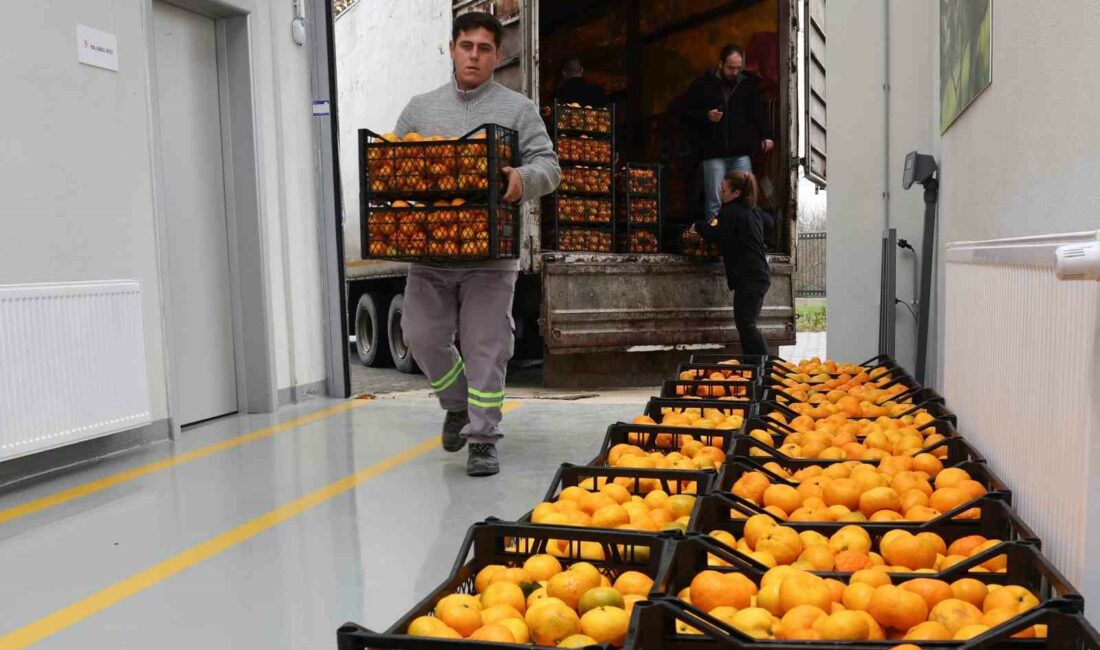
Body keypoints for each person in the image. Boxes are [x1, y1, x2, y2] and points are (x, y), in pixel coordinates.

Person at [393, 12, 561, 476]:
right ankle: (458, 405)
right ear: (451, 49)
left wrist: (520, 178)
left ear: (497, 56)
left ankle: (483, 438)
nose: (474, 55)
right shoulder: (419, 110)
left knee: (486, 346)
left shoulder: (517, 109)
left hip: (491, 256)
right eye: (466, 46)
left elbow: (550, 166)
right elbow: (395, 163)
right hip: (431, 253)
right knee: (421, 336)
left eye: (484, 48)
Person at [684, 43, 774, 220]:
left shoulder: (748, 86)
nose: (734, 72)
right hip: (712, 153)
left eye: (738, 68)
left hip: (740, 153)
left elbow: (759, 112)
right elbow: (686, 113)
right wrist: (706, 116)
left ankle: (744, 240)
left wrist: (768, 135)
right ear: (720, 64)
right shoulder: (702, 85)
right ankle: (714, 245)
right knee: (714, 202)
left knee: (747, 200)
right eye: (730, 67)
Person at [691, 170, 772, 357]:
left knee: (746, 324)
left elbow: (716, 234)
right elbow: (769, 223)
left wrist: (698, 226)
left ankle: (765, 366)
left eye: (724, 190)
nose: (721, 193)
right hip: (758, 275)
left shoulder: (731, 212)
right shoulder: (753, 210)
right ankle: (753, 366)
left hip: (749, 277)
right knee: (745, 325)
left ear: (736, 193)